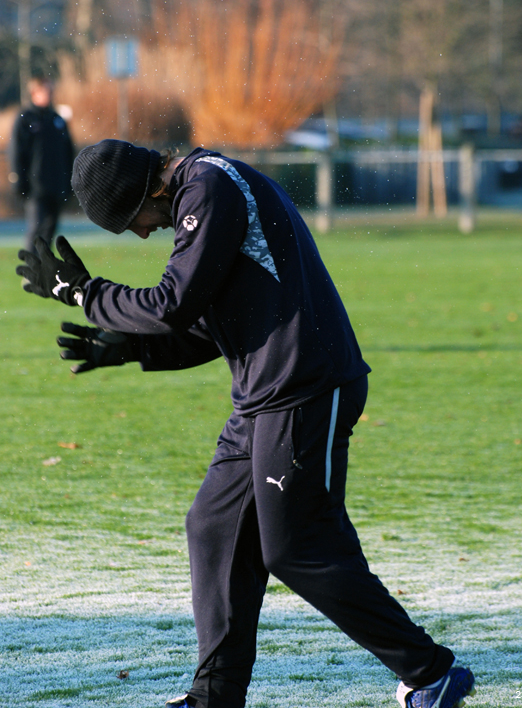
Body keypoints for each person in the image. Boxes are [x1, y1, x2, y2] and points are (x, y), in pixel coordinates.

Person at [15, 140, 476, 708]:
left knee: (299, 547)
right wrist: (132, 350)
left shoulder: (208, 188)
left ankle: (430, 672)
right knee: (213, 526)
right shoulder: (206, 189)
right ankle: (215, 698)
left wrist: (85, 293)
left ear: (143, 193)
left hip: (306, 388)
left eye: (130, 221)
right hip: (265, 396)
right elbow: (211, 325)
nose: (139, 234)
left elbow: (171, 303)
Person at [9, 76, 75, 252]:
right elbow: (16, 152)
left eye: (51, 90)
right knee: (36, 231)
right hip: (36, 187)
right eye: (46, 90)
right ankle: (30, 274)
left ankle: (44, 272)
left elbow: (68, 152)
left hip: (56, 185)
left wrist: (69, 181)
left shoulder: (57, 119)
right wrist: (19, 181)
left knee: (50, 231)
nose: (50, 94)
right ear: (34, 92)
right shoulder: (25, 118)